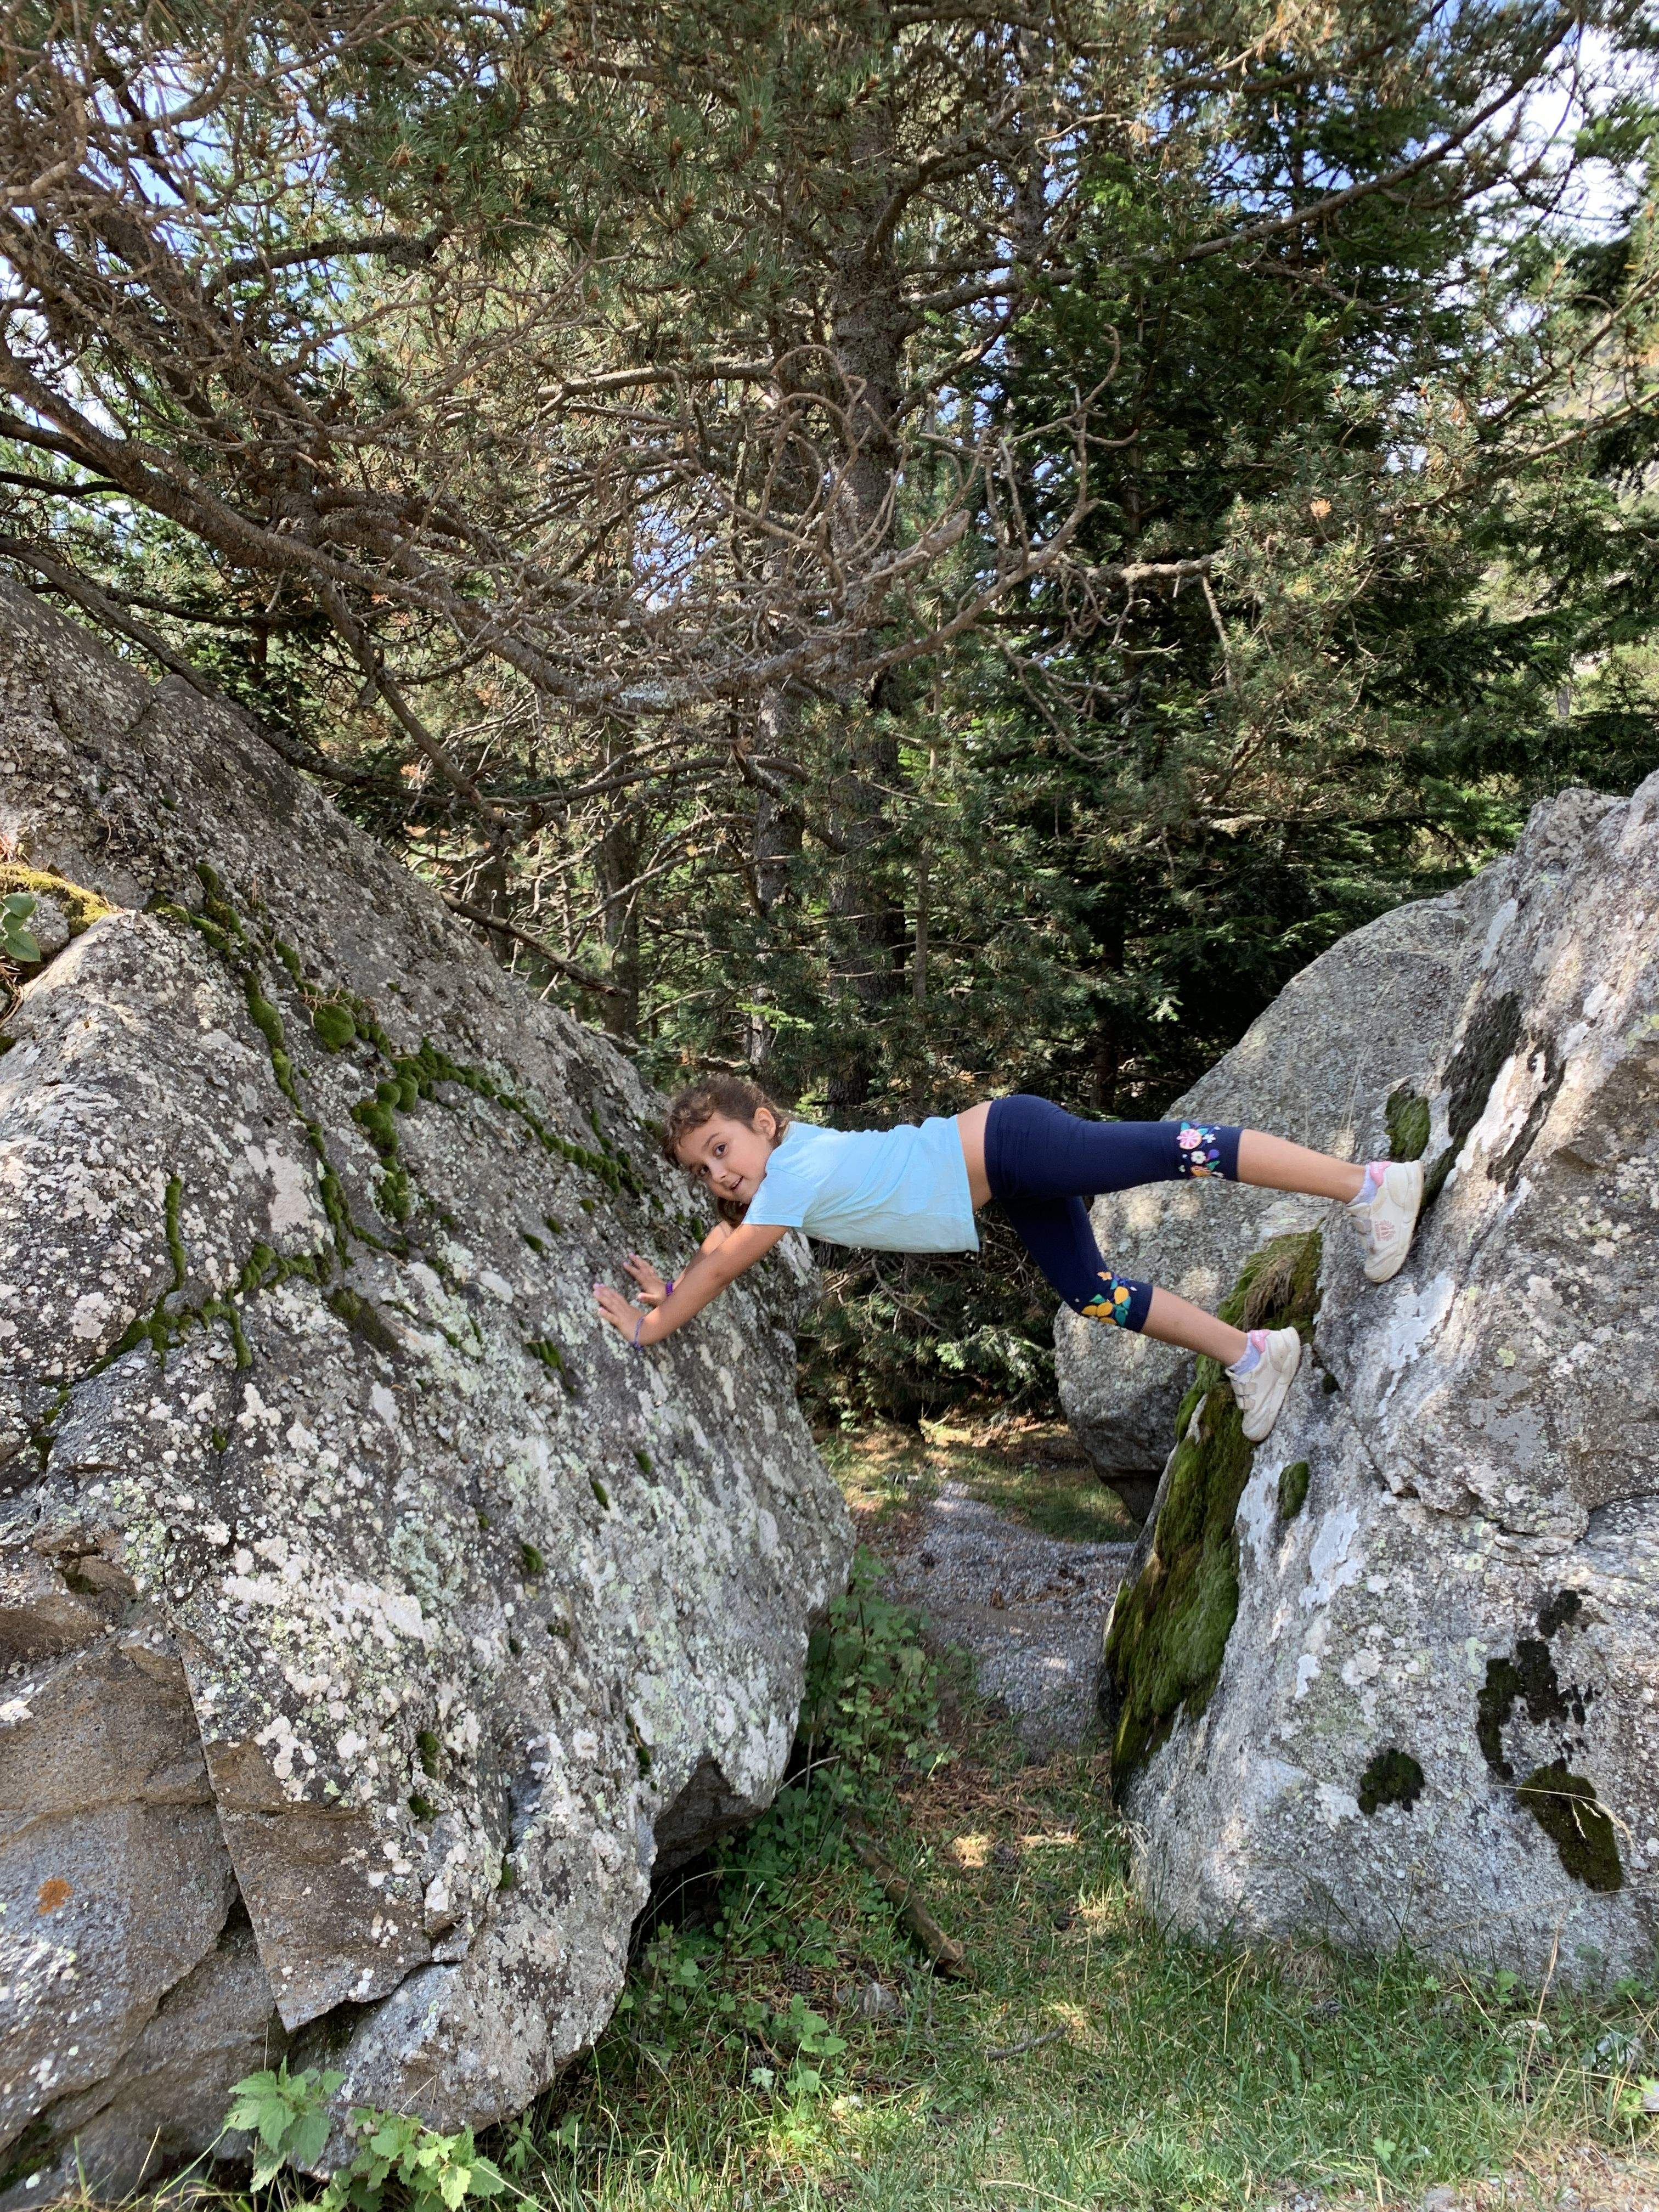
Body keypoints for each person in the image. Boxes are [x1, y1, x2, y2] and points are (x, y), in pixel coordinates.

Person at [592, 1081, 1424, 1443]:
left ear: (765, 1123)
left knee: (1178, 1150)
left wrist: (649, 1326)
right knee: (1093, 1294)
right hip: (1009, 1173)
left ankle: (1369, 1186)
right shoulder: (781, 1176)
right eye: (701, 1168)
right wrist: (671, 1286)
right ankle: (1254, 1356)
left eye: (721, 1148)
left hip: (1010, 1142)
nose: (718, 1173)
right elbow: (719, 1244)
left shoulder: (793, 1175)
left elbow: (724, 1265)